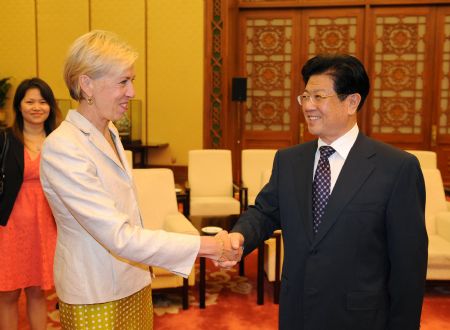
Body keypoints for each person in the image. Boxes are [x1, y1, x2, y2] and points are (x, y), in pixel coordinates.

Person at [40, 30, 241, 330]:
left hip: (133, 282)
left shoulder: (110, 134)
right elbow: (117, 234)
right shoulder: (63, 147)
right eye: (123, 81)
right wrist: (208, 246)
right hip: (95, 292)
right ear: (87, 84)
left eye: (131, 80)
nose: (132, 92)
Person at [226, 54, 428, 329]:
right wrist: (239, 236)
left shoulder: (396, 168)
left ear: (351, 102)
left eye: (319, 96)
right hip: (297, 312)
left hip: (360, 318)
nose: (308, 106)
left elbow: (409, 267)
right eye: (305, 97)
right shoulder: (289, 161)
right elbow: (264, 212)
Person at [0, 77, 60, 330]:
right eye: (30, 101)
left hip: (46, 224)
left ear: (50, 107)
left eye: (43, 101)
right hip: (9, 225)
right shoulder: (4, 140)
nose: (37, 107)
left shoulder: (60, 141)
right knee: (7, 293)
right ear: (19, 106)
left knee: (38, 292)